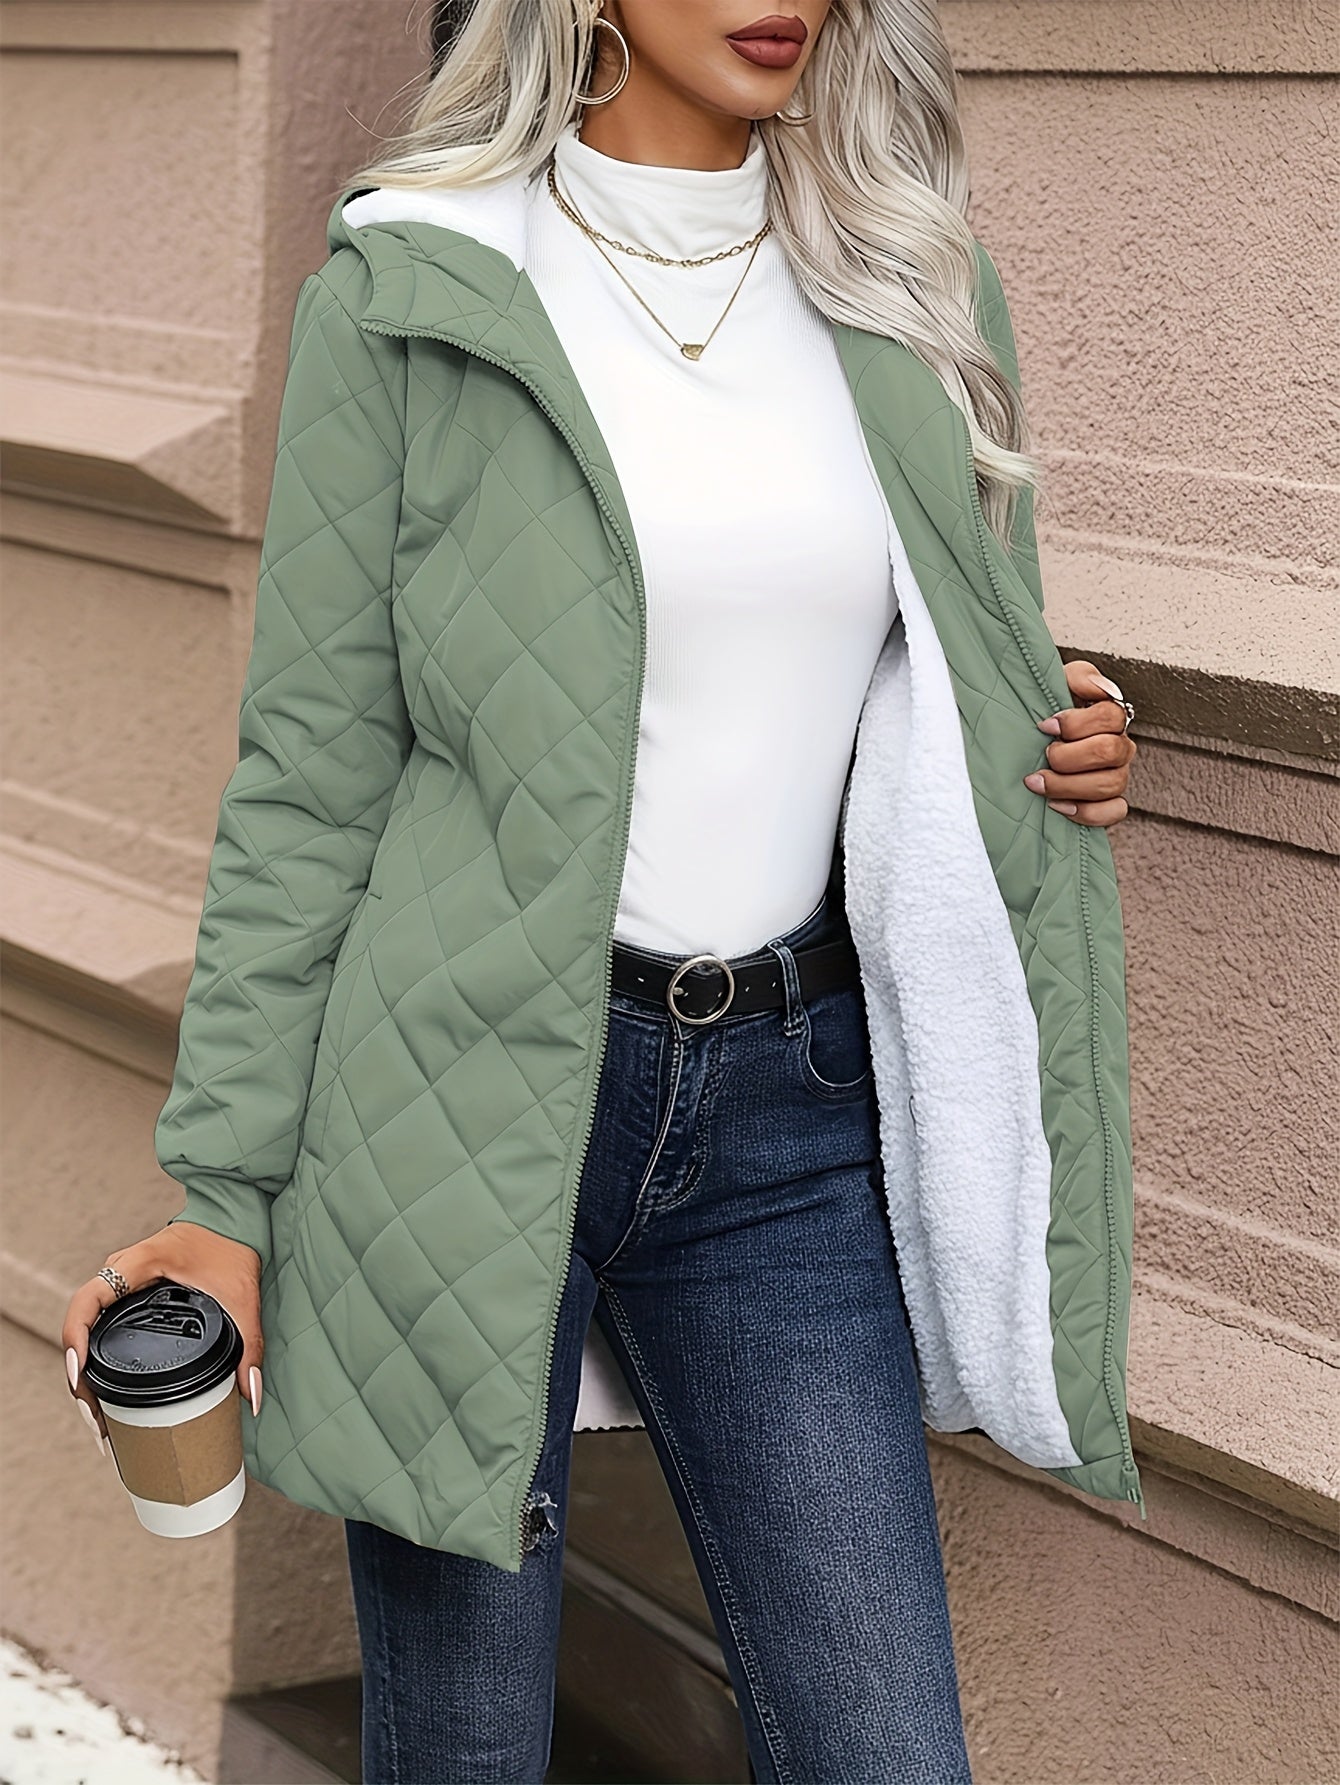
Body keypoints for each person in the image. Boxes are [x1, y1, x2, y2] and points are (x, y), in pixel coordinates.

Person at [61, 3, 1144, 1779]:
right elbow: (313, 777)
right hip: (461, 1096)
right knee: (467, 1746)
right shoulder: (417, 286)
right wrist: (222, 1191)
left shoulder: (911, 285)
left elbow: (937, 671)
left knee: (886, 1749)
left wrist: (1061, 735)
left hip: (790, 1109)